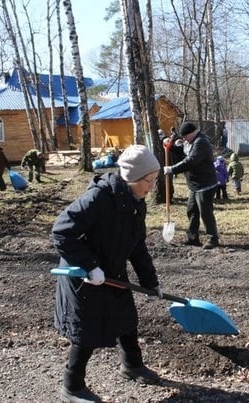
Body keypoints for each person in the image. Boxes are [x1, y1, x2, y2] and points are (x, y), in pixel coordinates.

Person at [51, 144, 163, 403]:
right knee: (86, 331)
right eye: (149, 180)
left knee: (127, 319)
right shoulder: (99, 198)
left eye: (155, 180)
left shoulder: (136, 202)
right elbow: (61, 231)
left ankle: (132, 366)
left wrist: (150, 281)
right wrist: (89, 266)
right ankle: (72, 386)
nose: (152, 186)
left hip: (112, 272)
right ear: (133, 177)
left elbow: (137, 245)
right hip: (83, 275)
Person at [163, 122, 220, 249]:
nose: (183, 139)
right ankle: (193, 238)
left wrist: (172, 169)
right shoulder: (190, 142)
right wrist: (170, 146)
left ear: (191, 133)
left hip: (205, 184)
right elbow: (182, 152)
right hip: (194, 185)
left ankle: (213, 239)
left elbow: (190, 161)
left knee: (206, 212)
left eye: (184, 136)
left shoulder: (201, 143)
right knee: (192, 211)